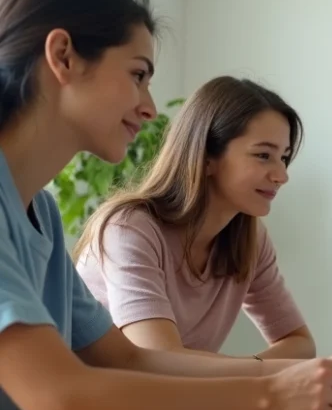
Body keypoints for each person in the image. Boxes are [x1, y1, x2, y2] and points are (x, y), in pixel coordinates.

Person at [0, 0, 332, 410]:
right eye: (138, 74)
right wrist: (272, 393)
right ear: (63, 56)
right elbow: (66, 402)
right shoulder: (123, 226)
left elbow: (130, 359)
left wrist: (315, 372)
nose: (149, 107)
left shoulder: (38, 210)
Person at [74, 76, 317, 360]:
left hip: (171, 403)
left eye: (284, 158)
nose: (281, 176)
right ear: (206, 156)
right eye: (263, 155)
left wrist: (252, 373)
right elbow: (162, 360)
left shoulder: (249, 237)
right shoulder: (129, 229)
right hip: (102, 401)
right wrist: (262, 375)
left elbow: (300, 345)